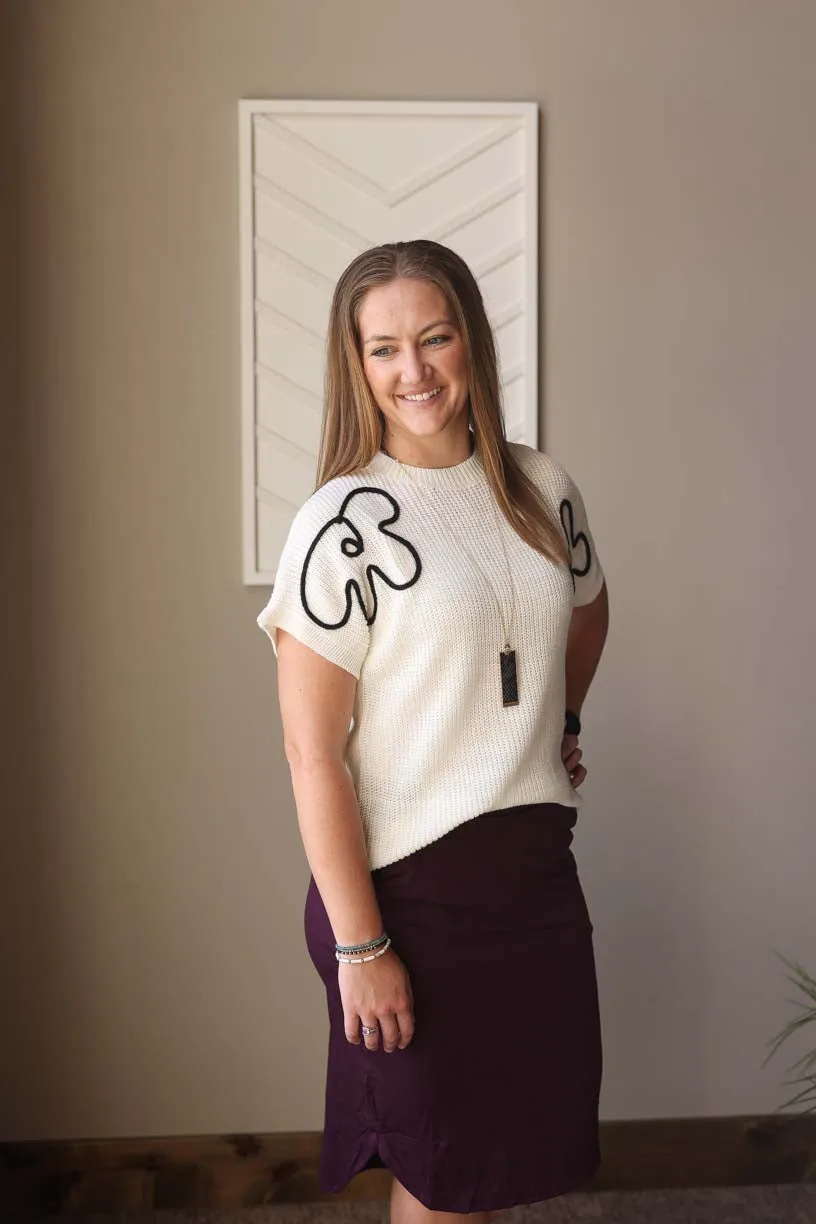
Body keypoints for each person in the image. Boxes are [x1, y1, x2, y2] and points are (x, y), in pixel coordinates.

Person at [256, 239, 610, 1223]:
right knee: (443, 1187)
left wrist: (558, 718)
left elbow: (586, 607)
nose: (412, 371)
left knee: (496, 1176)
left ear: (471, 344)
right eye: (382, 350)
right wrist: (363, 947)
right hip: (407, 897)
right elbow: (310, 752)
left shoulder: (545, 488)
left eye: (434, 338)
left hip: (534, 879)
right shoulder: (344, 524)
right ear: (355, 366)